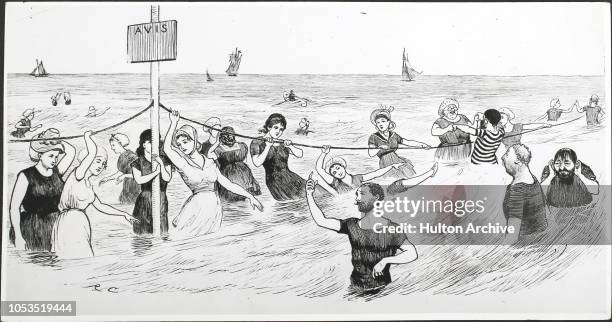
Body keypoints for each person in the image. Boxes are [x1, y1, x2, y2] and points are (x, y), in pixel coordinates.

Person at [305, 176, 418, 293]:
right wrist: (309, 195)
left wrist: (386, 261)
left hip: (382, 289)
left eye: (362, 194)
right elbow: (321, 221)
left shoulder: (391, 228)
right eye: (356, 195)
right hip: (355, 288)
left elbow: (412, 253)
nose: (357, 199)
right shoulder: (351, 225)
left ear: (376, 198)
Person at [164, 110, 263, 237]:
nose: (182, 146)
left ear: (194, 140)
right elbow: (167, 149)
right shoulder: (182, 163)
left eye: (185, 141)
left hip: (214, 210)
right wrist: (173, 123)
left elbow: (228, 184)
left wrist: (250, 196)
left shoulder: (210, 161)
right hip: (196, 209)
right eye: (179, 144)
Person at [51, 131, 138, 259]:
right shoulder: (78, 175)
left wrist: (124, 214)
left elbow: (101, 206)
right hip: (69, 223)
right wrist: (87, 136)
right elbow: (91, 152)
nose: (100, 166)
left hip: (81, 223)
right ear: (88, 160)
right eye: (97, 161)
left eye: (103, 164)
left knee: (84, 257)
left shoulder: (88, 186)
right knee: (72, 257)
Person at [9, 128, 76, 251]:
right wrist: (18, 236)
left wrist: (55, 140)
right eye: (50, 156)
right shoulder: (25, 175)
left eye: (56, 157)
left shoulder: (57, 171)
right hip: (33, 228)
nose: (54, 160)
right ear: (40, 155)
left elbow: (71, 151)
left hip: (55, 226)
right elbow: (14, 208)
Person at [316, 145, 438, 195]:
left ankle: (430, 173)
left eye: (338, 168)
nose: (338, 172)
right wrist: (323, 153)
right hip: (356, 204)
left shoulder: (358, 178)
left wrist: (391, 166)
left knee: (397, 185)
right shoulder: (336, 183)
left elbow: (375, 173)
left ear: (343, 166)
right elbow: (319, 169)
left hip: (369, 198)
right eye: (334, 173)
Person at [250, 113, 309, 201]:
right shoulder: (257, 142)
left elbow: (300, 154)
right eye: (276, 128)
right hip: (275, 182)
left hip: (290, 177)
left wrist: (291, 146)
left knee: (315, 193)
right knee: (299, 201)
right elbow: (257, 163)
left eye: (281, 129)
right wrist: (268, 146)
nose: (278, 131)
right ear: (269, 127)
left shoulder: (282, 142)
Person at [500, 144, 548, 244]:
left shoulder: (518, 190)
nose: (502, 157)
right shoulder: (533, 180)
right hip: (541, 239)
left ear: (517, 160)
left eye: (507, 154)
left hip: (526, 245)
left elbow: (512, 234)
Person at [367, 106, 431, 179]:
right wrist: (379, 148)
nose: (380, 124)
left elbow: (407, 142)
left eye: (383, 121)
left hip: (396, 160)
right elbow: (370, 153)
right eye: (378, 122)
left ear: (388, 122)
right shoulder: (374, 137)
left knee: (407, 174)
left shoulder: (394, 135)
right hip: (385, 163)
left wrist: (422, 145)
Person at [130, 129, 173, 235]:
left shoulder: (165, 160)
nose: (154, 145)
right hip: (144, 199)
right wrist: (155, 173)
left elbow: (167, 178)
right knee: (142, 233)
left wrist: (161, 165)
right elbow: (139, 179)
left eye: (156, 142)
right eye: (150, 142)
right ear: (143, 144)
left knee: (162, 231)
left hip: (161, 198)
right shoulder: (137, 162)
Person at [215, 126, 262, 201]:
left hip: (244, 173)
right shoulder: (218, 149)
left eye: (231, 135)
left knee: (246, 196)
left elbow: (245, 159)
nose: (229, 137)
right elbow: (217, 164)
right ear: (222, 137)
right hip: (228, 174)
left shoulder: (242, 145)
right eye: (227, 135)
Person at [99, 133, 140, 204]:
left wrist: (124, 176)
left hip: (135, 188)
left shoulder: (132, 156)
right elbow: (121, 172)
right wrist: (107, 178)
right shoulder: (122, 157)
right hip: (127, 187)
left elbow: (140, 174)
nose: (112, 148)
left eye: (113, 145)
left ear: (120, 144)